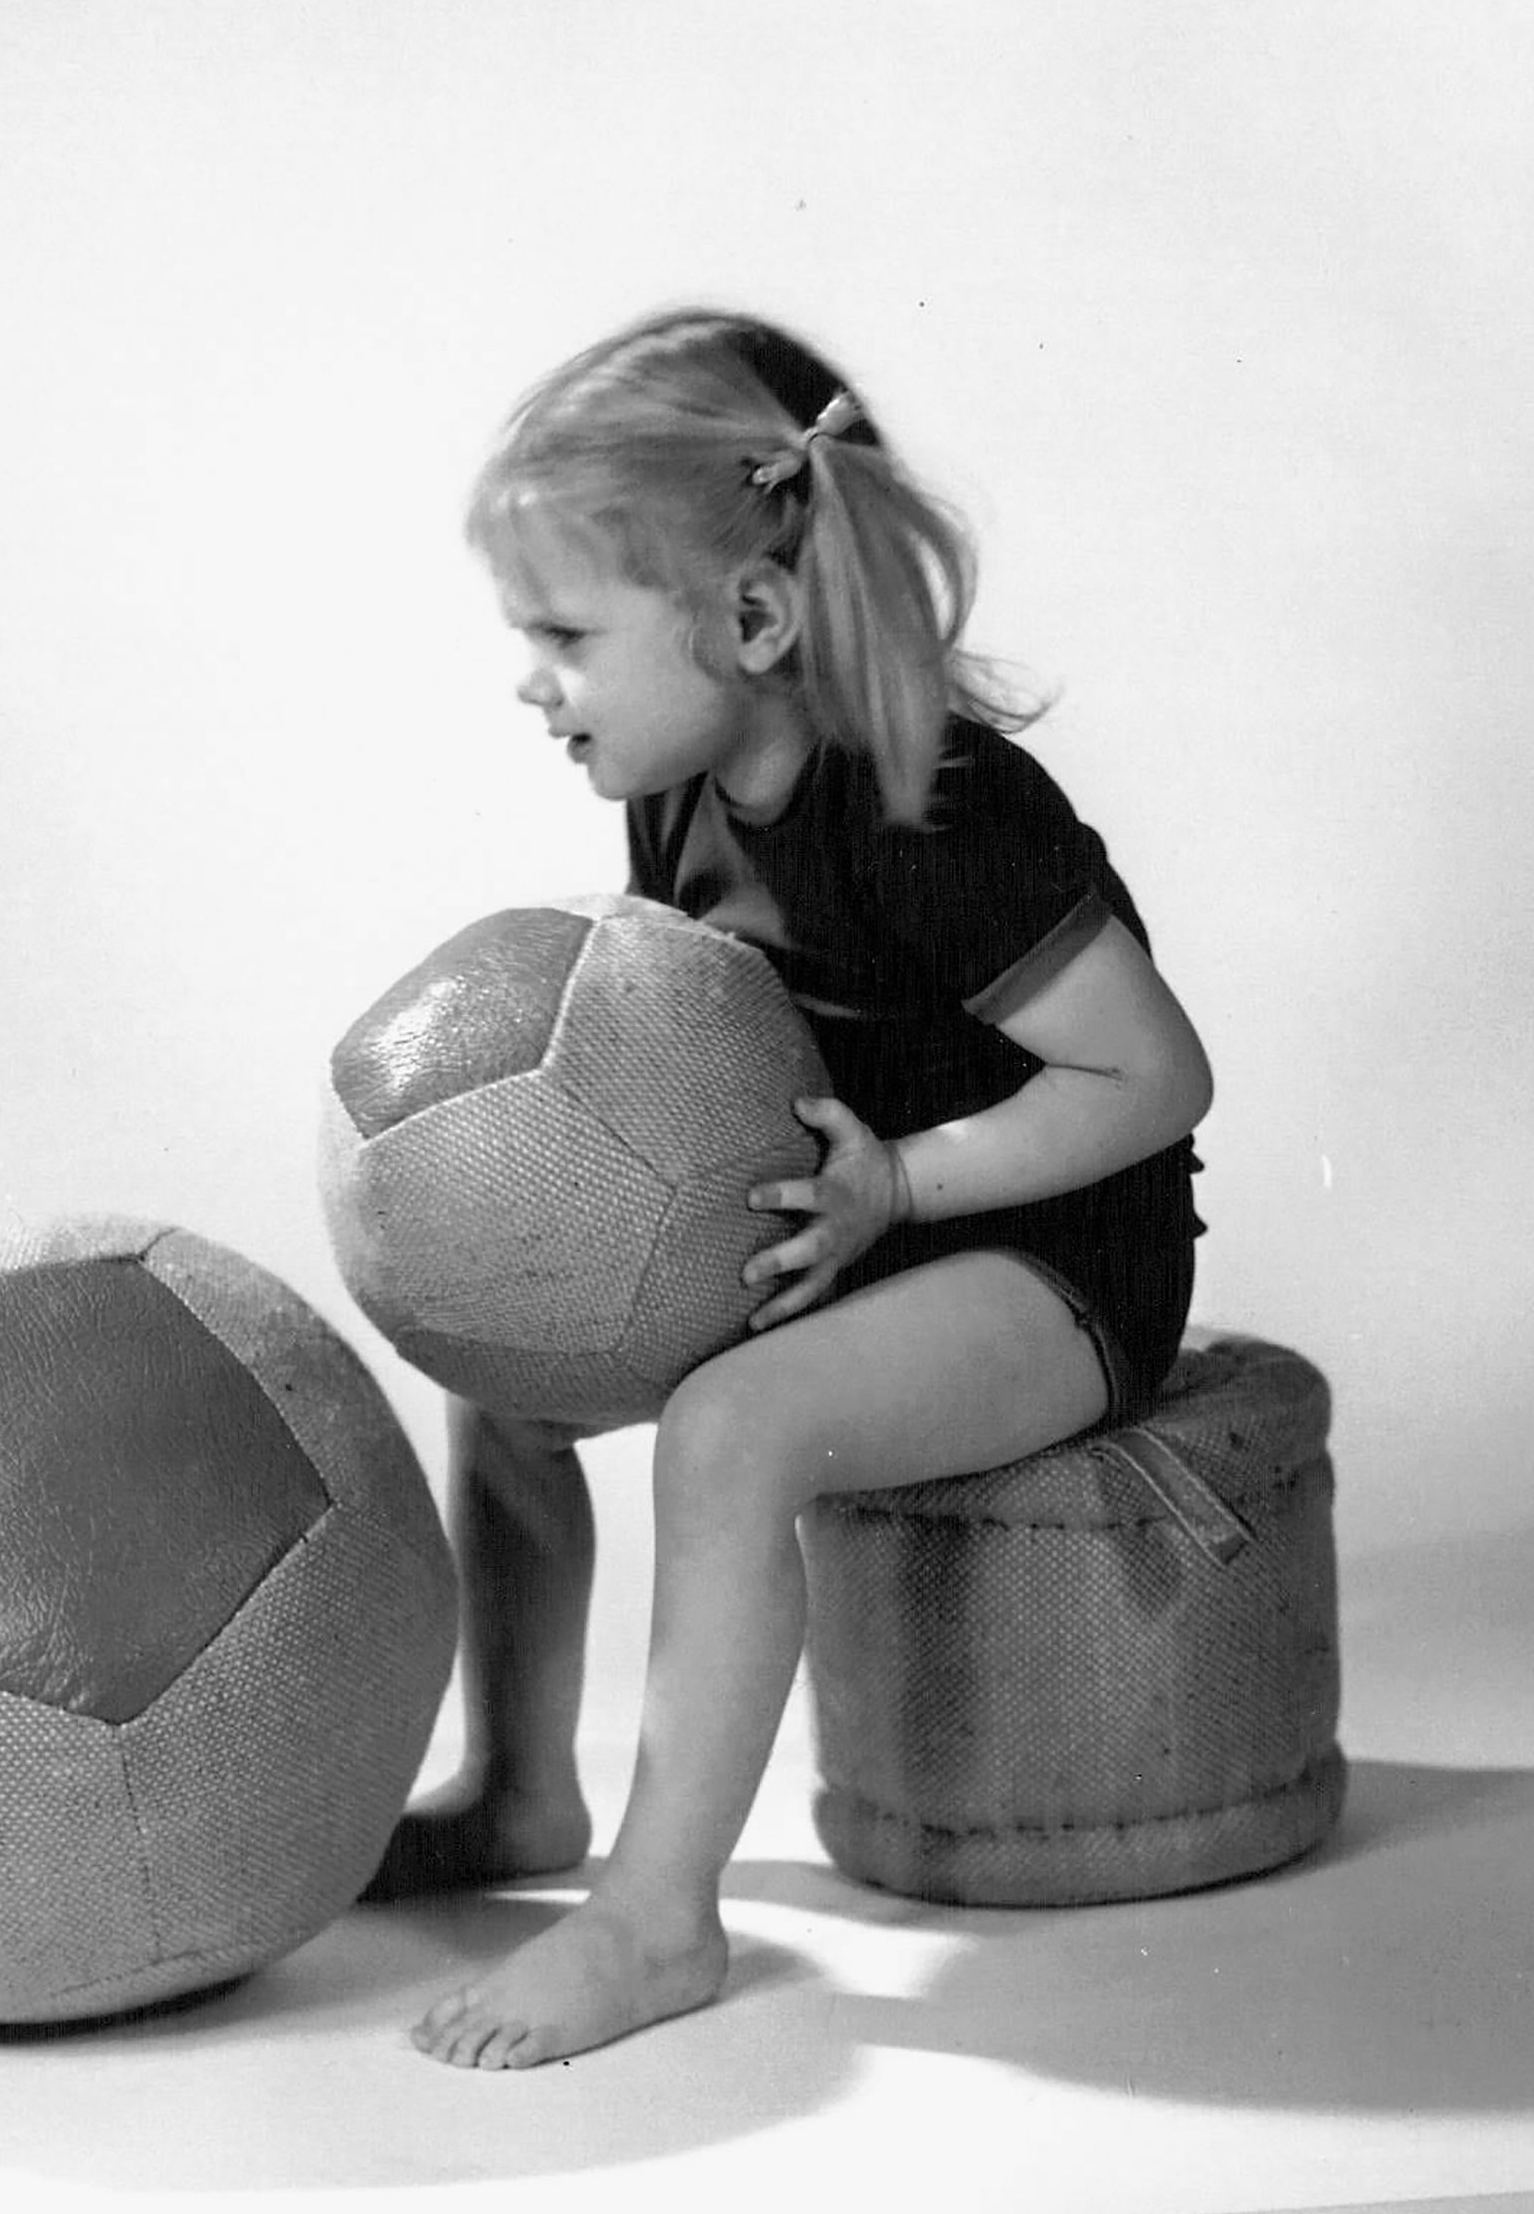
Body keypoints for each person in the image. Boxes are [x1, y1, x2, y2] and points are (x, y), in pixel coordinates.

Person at [367, 307, 1214, 2070]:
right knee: (509, 1383)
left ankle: (660, 1917)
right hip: (857, 1228)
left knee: (732, 1433)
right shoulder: (680, 791)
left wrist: (899, 1180)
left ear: (752, 621)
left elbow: (1152, 1079)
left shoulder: (938, 810)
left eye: (564, 634)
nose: (531, 679)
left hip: (1053, 1259)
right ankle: (521, 1787)